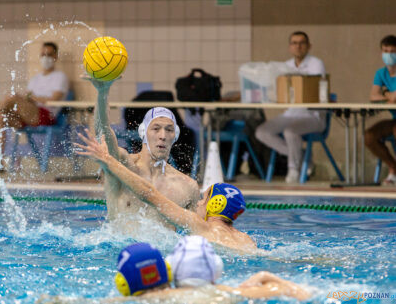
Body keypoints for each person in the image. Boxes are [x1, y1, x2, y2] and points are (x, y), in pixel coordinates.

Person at [74, 129, 256, 253]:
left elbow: (150, 195)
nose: (199, 202)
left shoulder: (199, 225)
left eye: (204, 199)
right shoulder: (247, 241)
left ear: (217, 204)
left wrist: (108, 161)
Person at [87, 78, 200, 225]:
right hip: (120, 248)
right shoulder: (122, 164)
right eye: (156, 128)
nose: (163, 136)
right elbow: (104, 132)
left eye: (169, 130)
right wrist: (102, 92)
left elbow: (196, 236)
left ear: (175, 136)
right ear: (143, 132)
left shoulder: (188, 187)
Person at [0, 42, 69, 173]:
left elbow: (54, 99)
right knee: (0, 118)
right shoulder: (35, 79)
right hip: (29, 114)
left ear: (55, 56)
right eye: (43, 54)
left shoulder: (60, 77)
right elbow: (28, 99)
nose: (45, 57)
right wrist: (28, 98)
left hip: (46, 116)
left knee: (11, 97)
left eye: (49, 54)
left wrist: (32, 97)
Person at [111, 238, 310, 302]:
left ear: (123, 283)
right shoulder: (211, 294)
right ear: (167, 272)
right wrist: (266, 276)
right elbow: (296, 293)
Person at [255, 31, 326, 183]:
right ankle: (301, 154)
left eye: (301, 43)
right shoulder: (285, 66)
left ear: (309, 46)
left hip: (312, 116)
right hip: (290, 114)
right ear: (289, 47)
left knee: (290, 131)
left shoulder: (316, 64)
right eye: (294, 43)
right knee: (262, 132)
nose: (298, 46)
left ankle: (293, 168)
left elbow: (311, 89)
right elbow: (279, 91)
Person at [364, 35, 396, 184]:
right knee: (369, 136)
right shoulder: (381, 73)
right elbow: (373, 96)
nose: (389, 54)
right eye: (386, 51)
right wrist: (386, 94)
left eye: (393, 51)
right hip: (394, 119)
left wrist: (384, 94)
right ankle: (393, 167)